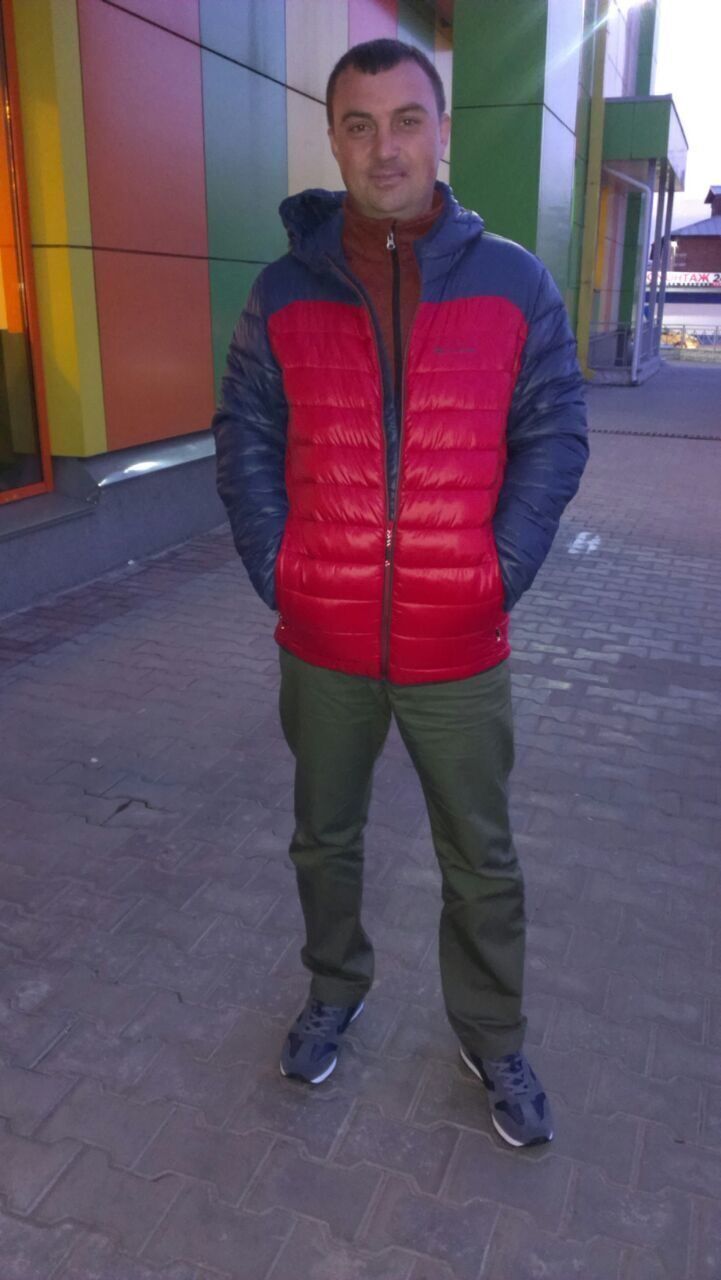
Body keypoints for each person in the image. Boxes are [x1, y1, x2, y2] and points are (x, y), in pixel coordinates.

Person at [212, 38, 588, 1149]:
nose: (385, 146)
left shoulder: (514, 281)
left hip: (457, 637)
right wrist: (280, 566)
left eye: (407, 120)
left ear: (442, 132)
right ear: (333, 141)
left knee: (481, 856)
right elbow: (244, 435)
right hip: (322, 634)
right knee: (322, 838)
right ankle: (335, 985)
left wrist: (496, 571)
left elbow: (555, 430)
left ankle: (491, 1031)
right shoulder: (284, 288)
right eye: (360, 124)